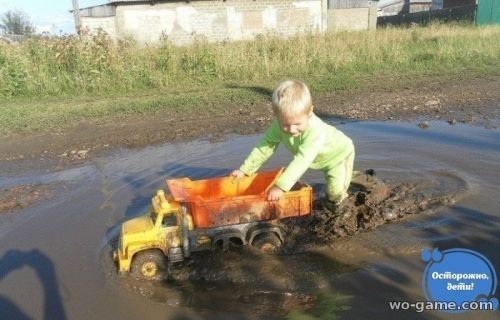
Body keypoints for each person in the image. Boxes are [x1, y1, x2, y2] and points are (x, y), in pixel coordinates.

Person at [230, 80, 355, 211]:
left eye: (297, 124)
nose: (291, 130)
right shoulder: (277, 126)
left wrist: (280, 187)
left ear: (310, 112)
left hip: (339, 156)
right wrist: (245, 170)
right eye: (285, 124)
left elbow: (302, 160)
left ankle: (343, 210)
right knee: (336, 188)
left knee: (335, 194)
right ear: (276, 115)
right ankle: (351, 176)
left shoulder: (315, 131)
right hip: (320, 159)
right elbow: (264, 147)